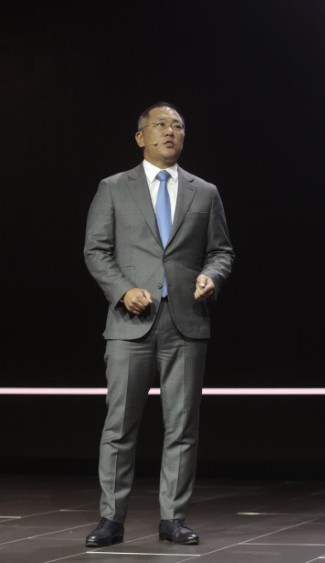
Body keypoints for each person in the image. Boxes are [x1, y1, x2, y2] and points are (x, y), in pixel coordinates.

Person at [83, 101, 234, 547]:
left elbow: (222, 250)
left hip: (186, 323)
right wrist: (122, 290)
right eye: (161, 125)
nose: (171, 131)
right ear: (141, 137)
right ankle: (111, 519)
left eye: (179, 126)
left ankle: (173, 518)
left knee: (182, 426)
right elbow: (96, 250)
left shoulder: (204, 191)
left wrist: (213, 276)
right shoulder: (113, 188)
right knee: (120, 426)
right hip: (131, 322)